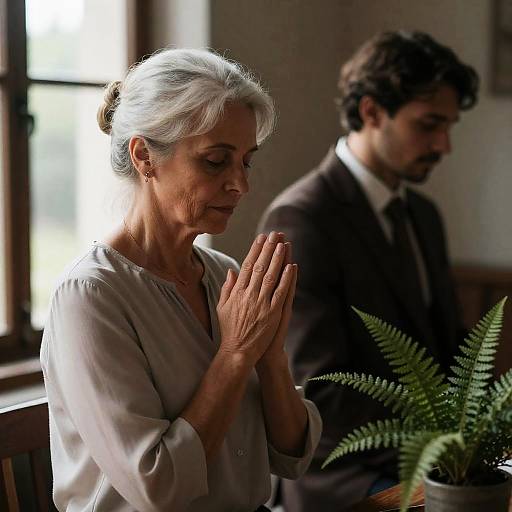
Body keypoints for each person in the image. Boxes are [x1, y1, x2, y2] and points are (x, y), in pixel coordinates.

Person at [40, 48, 322, 512]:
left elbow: (293, 457)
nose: (240, 185)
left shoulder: (226, 275)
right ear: (145, 157)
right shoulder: (90, 297)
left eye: (246, 161)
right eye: (216, 161)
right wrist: (234, 354)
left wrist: (269, 357)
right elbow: (158, 487)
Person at [258, 31, 479, 511]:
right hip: (341, 473)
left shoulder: (423, 215)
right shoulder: (301, 218)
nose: (444, 144)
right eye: (429, 124)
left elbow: (453, 351)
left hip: (430, 458)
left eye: (450, 126)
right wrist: (444, 448)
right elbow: (320, 390)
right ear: (371, 112)